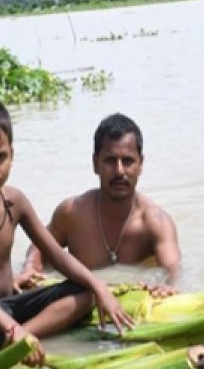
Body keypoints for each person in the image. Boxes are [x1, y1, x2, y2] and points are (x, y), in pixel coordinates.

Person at [0, 97, 132, 366]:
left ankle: (27, 335)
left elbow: (57, 256)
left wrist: (99, 287)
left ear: (12, 154)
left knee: (84, 292)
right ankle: (16, 337)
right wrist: (12, 328)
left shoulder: (15, 202)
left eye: (0, 157)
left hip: (8, 306)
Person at [14, 113, 181, 297]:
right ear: (95, 163)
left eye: (127, 161)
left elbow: (172, 268)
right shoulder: (72, 214)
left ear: (140, 164)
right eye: (110, 161)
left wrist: (167, 285)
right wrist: (30, 267)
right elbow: (39, 246)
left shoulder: (155, 222)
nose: (119, 171)